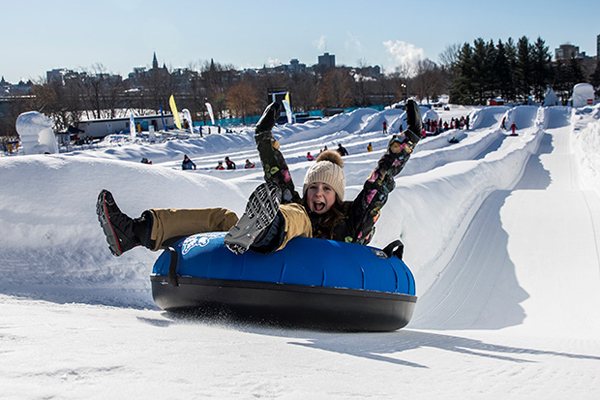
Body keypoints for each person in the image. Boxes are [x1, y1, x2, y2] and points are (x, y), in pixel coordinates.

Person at [96, 100, 422, 258]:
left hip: (311, 256)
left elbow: (379, 184)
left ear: (337, 196)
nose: (318, 195)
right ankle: (136, 232)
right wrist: (263, 134)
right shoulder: (298, 203)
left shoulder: (353, 221)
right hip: (268, 251)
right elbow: (278, 175)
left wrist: (408, 141)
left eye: (326, 189)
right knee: (223, 217)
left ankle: (267, 228)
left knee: (295, 217)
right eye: (313, 188)